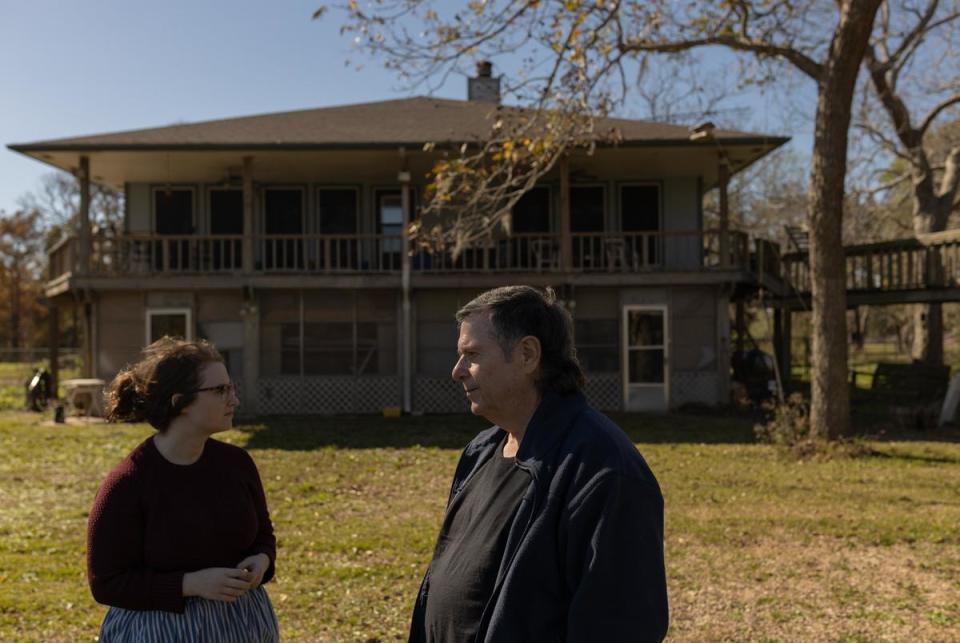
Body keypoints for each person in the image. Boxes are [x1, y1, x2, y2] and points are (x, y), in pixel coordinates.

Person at [409, 286, 668, 642]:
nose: (457, 371)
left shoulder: (603, 471)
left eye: (472, 354)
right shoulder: (480, 452)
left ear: (527, 355)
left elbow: (621, 625)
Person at [87, 337, 278, 642]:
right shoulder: (128, 484)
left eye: (231, 388)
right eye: (220, 390)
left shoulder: (237, 464)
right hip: (158, 630)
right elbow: (107, 583)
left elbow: (263, 536)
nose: (234, 400)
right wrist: (190, 584)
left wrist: (262, 560)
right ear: (180, 402)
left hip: (243, 624)